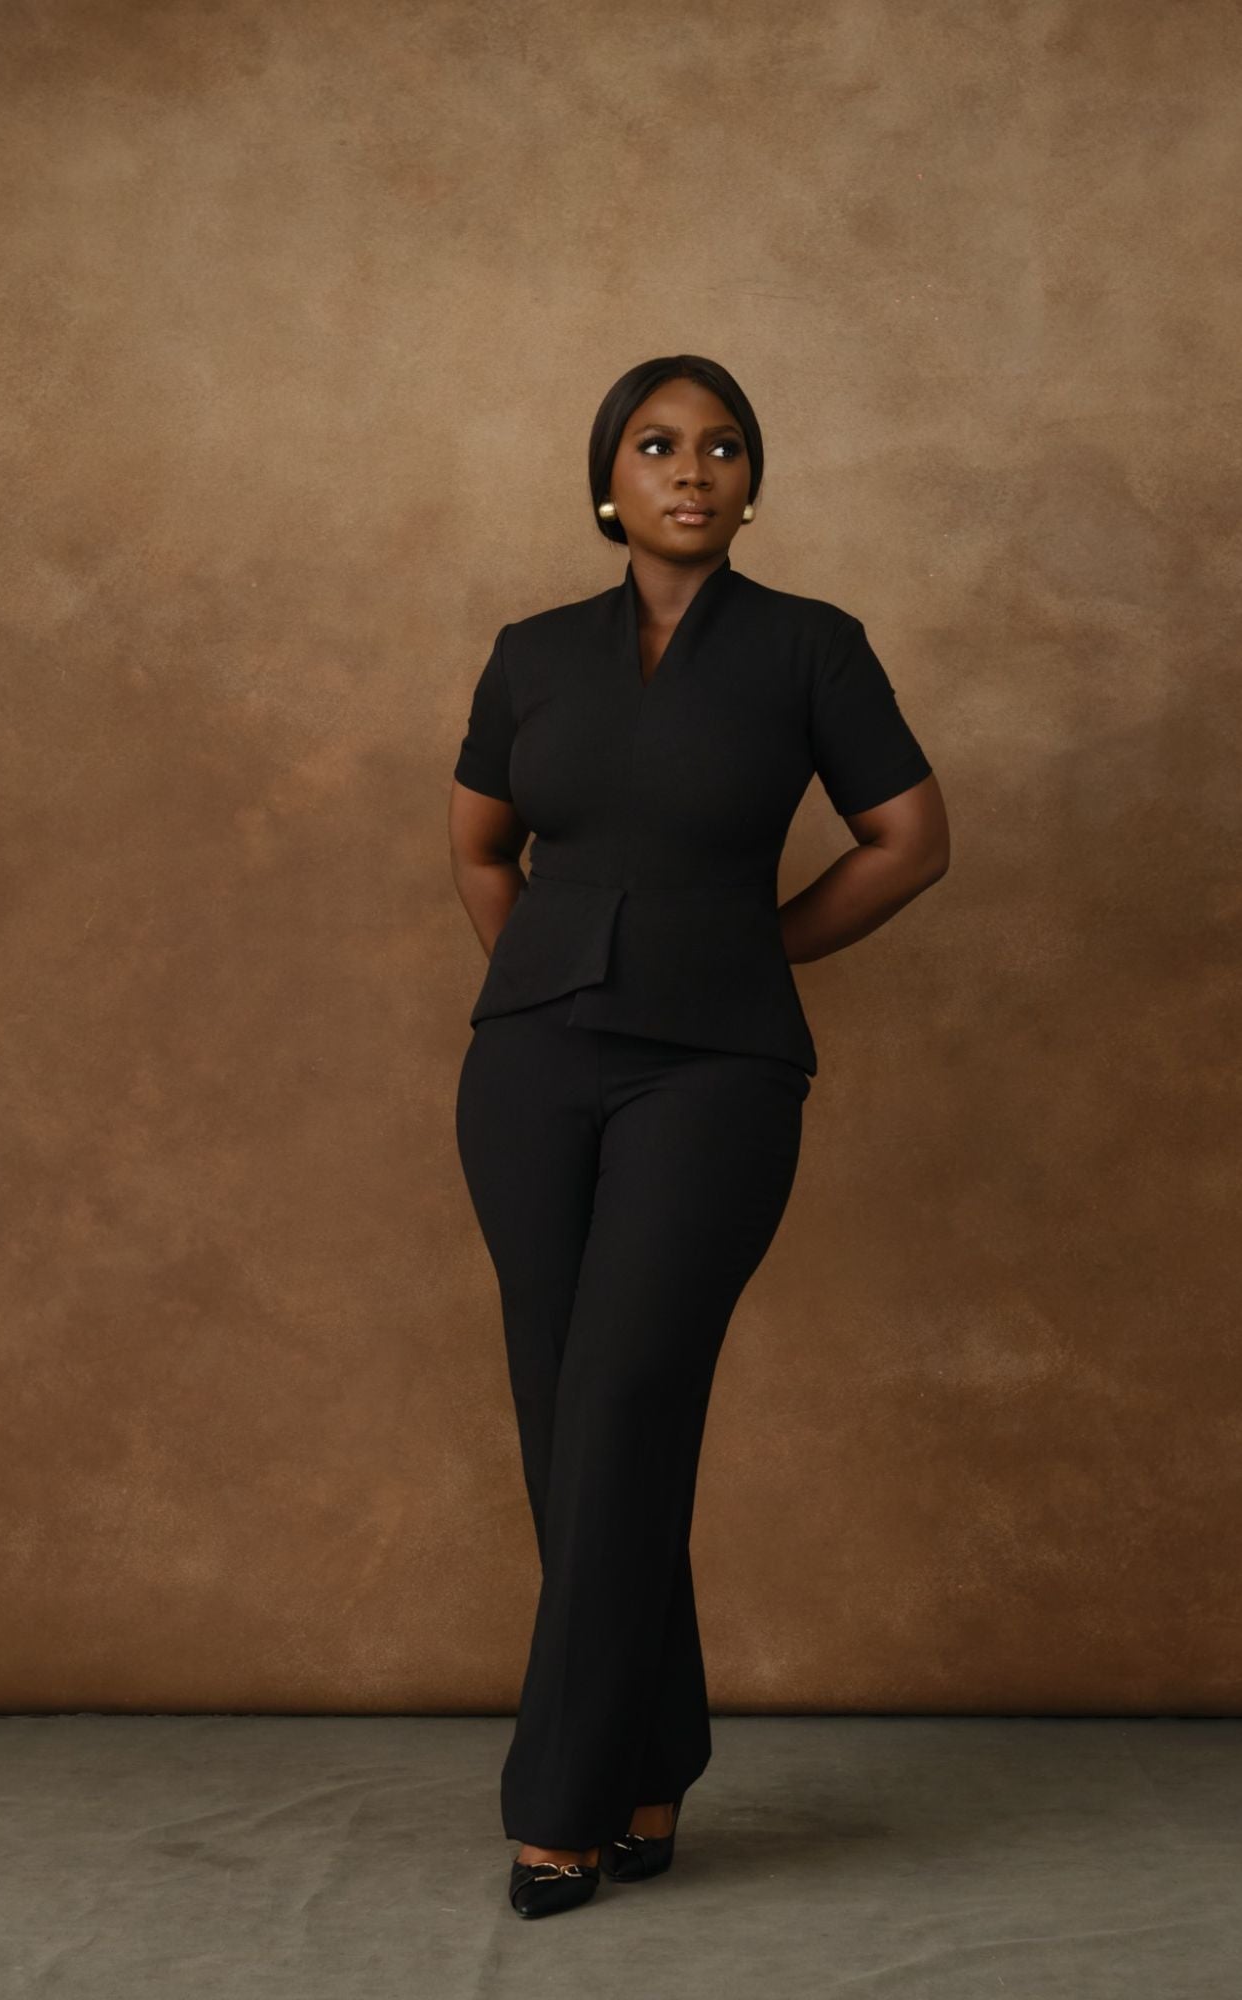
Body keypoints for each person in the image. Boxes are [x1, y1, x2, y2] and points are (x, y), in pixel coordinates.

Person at [448, 355, 950, 1919]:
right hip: (531, 1067)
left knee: (624, 1393)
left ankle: (562, 1798)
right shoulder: (531, 652)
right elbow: (479, 840)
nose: (690, 469)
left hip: (716, 1073)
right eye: (657, 445)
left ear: (749, 482)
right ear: (610, 479)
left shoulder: (811, 648)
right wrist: (542, 977)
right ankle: (655, 1753)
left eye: (721, 447)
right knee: (562, 1411)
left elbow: (909, 840)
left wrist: (753, 948)